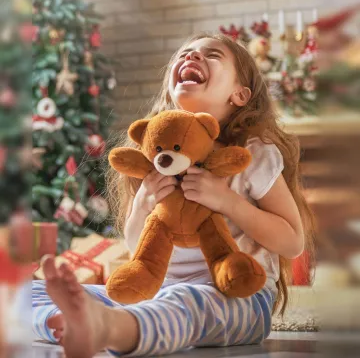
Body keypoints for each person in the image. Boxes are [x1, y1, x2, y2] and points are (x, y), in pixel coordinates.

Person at [32, 33, 315, 358]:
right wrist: (143, 203)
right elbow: (139, 246)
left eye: (212, 55)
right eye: (185, 54)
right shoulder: (154, 160)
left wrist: (227, 202)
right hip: (158, 293)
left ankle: (108, 328)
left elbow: (293, 242)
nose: (191, 57)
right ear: (170, 89)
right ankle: (63, 320)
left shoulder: (250, 154)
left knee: (185, 305)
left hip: (237, 298)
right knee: (29, 293)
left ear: (240, 95)